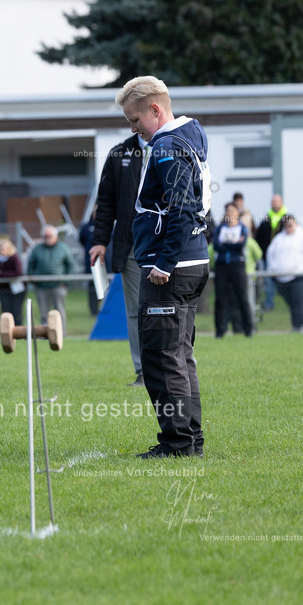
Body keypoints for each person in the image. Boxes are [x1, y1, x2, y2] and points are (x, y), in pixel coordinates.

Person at [117, 75, 210, 459]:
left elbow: (183, 205)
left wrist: (164, 262)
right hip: (192, 261)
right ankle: (190, 438)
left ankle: (178, 443)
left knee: (161, 356)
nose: (133, 129)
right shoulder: (191, 135)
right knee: (179, 355)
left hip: (171, 267)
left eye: (135, 120)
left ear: (156, 110)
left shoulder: (168, 146)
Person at [89, 131, 148, 386]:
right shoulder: (119, 154)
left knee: (173, 309)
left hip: (170, 244)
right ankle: (143, 371)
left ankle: (179, 364)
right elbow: (106, 203)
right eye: (129, 119)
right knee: (136, 309)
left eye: (136, 117)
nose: (133, 125)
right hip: (132, 245)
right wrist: (100, 241)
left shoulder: (175, 147)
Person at [266, 215, 303, 333]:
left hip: (301, 277)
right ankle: (296, 326)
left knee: (299, 300)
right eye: (286, 225)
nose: (288, 228)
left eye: (290, 225)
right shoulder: (279, 239)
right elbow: (271, 255)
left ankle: (302, 325)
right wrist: (274, 271)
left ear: (295, 223)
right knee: (292, 303)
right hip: (282, 278)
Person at [212, 202, 254, 338]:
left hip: (237, 265)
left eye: (232, 211)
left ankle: (248, 329)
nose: (229, 213)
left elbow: (241, 244)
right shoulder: (220, 228)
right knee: (220, 298)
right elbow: (217, 246)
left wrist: (227, 244)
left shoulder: (242, 228)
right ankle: (220, 330)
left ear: (237, 213)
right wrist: (232, 244)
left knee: (242, 297)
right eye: (227, 211)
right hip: (222, 265)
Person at [25, 225, 76, 333]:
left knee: (59, 311)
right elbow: (30, 265)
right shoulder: (37, 249)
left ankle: (61, 333)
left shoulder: (63, 248)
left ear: (55, 236)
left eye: (49, 236)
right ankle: (45, 334)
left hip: (58, 286)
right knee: (44, 312)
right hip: (41, 286)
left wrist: (66, 282)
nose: (47, 238)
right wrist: (33, 280)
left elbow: (70, 266)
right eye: (45, 236)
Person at [255, 194, 289, 311]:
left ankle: (289, 302)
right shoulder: (266, 219)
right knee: (268, 281)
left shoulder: (287, 219)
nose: (274, 204)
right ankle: (269, 304)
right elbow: (259, 237)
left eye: (276, 201)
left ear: (281, 203)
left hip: (283, 257)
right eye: (272, 201)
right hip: (266, 257)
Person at [0, 238, 26, 325]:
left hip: (17, 290)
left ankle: (18, 331)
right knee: (5, 311)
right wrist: (7, 274)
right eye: (1, 248)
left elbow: (17, 272)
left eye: (5, 248)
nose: (3, 250)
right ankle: (6, 331)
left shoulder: (14, 258)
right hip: (3, 289)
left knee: (16, 311)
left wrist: (0, 272)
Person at [78, 213, 100, 316]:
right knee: (92, 289)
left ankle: (108, 310)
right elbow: (81, 239)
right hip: (91, 263)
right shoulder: (86, 227)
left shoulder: (111, 226)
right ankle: (94, 311)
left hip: (106, 264)